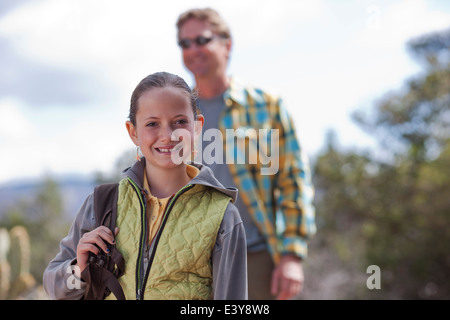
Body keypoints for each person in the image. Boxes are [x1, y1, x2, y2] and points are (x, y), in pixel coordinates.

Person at [43, 71, 248, 300]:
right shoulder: (102, 204)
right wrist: (79, 271)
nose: (167, 136)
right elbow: (55, 288)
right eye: (152, 124)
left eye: (179, 122)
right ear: (133, 132)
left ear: (197, 126)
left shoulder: (223, 217)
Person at [176, 8, 317, 300]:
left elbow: (294, 180)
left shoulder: (267, 106)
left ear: (227, 45)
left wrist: (292, 255)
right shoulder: (177, 115)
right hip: (191, 262)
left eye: (201, 39)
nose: (192, 50)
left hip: (256, 258)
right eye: (184, 43)